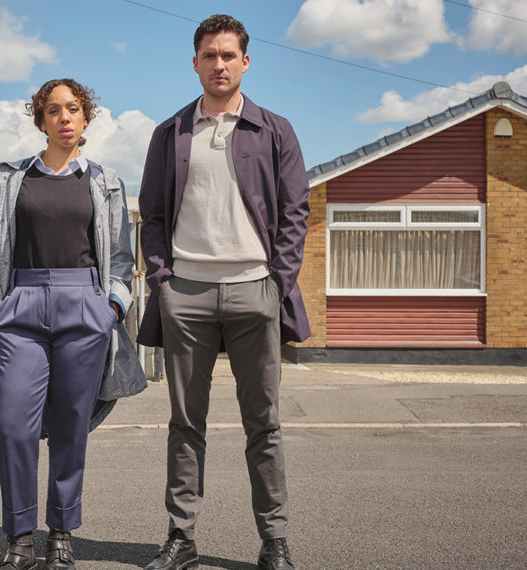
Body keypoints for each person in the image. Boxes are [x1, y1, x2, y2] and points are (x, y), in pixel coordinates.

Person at [137, 14, 311, 570]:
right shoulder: (170, 133)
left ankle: (274, 541)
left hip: (253, 291)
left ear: (245, 61)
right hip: (185, 294)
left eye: (228, 55)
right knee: (186, 424)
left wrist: (277, 285)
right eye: (209, 55)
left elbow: (295, 214)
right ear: (195, 63)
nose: (219, 64)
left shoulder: (275, 129)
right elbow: (154, 215)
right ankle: (182, 539)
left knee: (264, 423)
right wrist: (163, 281)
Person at [0, 78, 145, 569]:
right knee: (12, 427)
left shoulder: (104, 181)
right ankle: (19, 539)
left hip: (84, 304)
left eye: (73, 109)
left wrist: (111, 307)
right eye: (54, 110)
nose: (65, 118)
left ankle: (60, 534)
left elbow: (120, 256)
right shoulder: (15, 179)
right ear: (41, 120)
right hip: (22, 306)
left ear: (86, 117)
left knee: (73, 427)